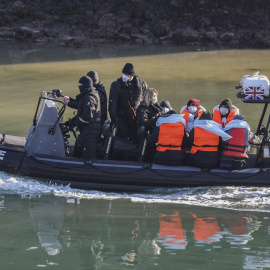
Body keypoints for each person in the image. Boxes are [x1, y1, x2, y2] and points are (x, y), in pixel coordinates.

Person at [108, 63, 148, 141]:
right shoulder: (116, 85)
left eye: (127, 75)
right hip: (122, 118)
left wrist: (144, 117)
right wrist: (113, 119)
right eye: (124, 74)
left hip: (137, 119)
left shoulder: (141, 84)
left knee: (136, 140)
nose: (125, 76)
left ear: (132, 76)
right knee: (121, 141)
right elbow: (112, 104)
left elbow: (146, 101)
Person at [64, 76, 101, 159]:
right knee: (79, 150)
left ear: (85, 86)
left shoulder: (90, 98)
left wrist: (73, 124)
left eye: (80, 85)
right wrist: (69, 100)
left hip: (91, 131)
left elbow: (86, 118)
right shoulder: (87, 95)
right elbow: (80, 105)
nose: (78, 87)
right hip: (87, 129)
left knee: (88, 155)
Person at [136, 88, 163, 162]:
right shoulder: (143, 109)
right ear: (148, 97)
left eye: (155, 96)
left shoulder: (156, 108)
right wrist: (157, 119)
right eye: (153, 96)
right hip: (147, 135)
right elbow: (143, 122)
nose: (155, 98)